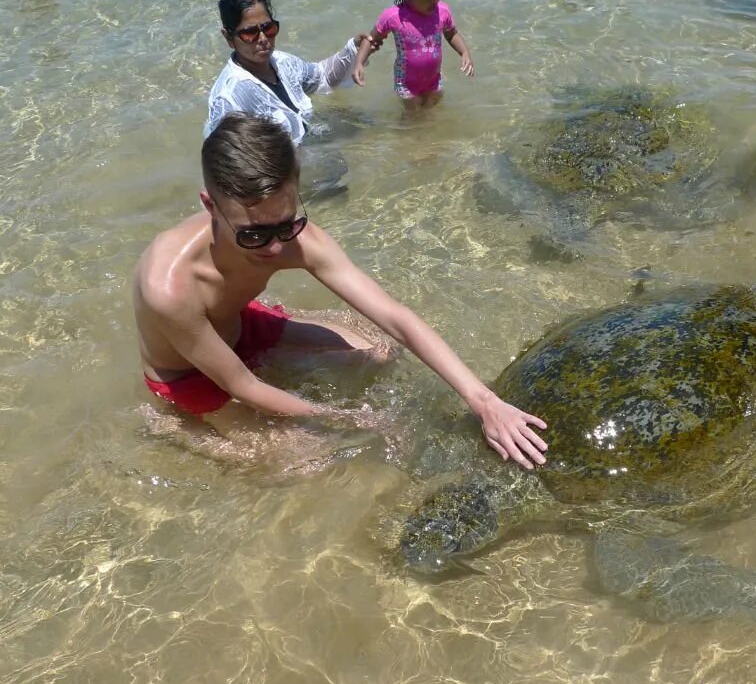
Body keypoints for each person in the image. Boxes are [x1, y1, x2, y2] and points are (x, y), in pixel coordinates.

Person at [135, 113, 548, 468]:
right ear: (211, 207)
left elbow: (395, 317)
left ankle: (281, 329)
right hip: (190, 377)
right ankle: (170, 426)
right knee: (311, 461)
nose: (278, 247)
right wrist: (356, 419)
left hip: (241, 325)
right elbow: (242, 386)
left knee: (380, 349)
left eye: (286, 223)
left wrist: (484, 402)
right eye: (254, 234)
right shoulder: (169, 288)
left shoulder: (293, 238)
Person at [204, 0, 375, 146]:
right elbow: (226, 160)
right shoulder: (230, 98)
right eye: (250, 33)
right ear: (228, 38)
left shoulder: (282, 62)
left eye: (268, 28)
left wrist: (354, 49)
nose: (263, 39)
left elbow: (321, 75)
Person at [352, 0, 474, 108]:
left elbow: (451, 34)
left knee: (433, 108)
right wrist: (359, 63)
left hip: (434, 79)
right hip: (406, 82)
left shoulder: (442, 12)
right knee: (413, 115)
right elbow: (371, 39)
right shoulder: (394, 16)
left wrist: (464, 53)